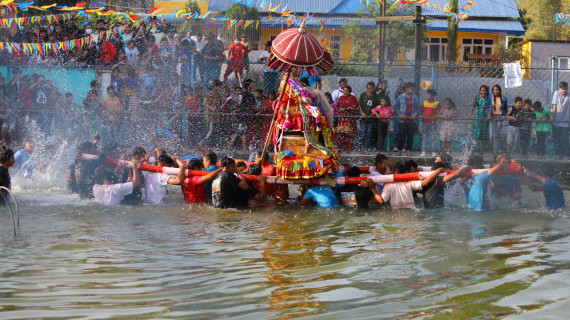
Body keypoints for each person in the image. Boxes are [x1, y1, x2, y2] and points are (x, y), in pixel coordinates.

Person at [368, 163, 444, 209]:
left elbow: (381, 201)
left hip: (396, 213)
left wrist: (372, 188)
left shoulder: (389, 185)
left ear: (393, 172)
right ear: (405, 173)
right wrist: (437, 172)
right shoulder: (409, 182)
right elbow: (425, 183)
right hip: (411, 212)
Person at [394, 82, 420, 156]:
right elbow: (395, 106)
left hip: (412, 121)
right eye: (411, 89)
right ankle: (399, 150)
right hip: (403, 120)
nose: (412, 90)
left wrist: (415, 114)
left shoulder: (415, 97)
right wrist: (399, 114)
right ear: (406, 89)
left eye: (413, 89)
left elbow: (419, 107)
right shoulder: (400, 97)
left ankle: (408, 150)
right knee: (401, 135)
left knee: (410, 136)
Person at [358, 82, 381, 154]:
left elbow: (378, 106)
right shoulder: (363, 95)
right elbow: (359, 105)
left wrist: (374, 113)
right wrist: (362, 113)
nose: (369, 90)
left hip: (371, 119)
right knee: (363, 132)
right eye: (368, 88)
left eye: (371, 88)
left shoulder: (375, 96)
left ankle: (366, 148)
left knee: (369, 133)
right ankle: (362, 146)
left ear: (374, 88)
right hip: (363, 118)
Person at [468, 85, 490, 155]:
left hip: (485, 118)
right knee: (475, 135)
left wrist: (489, 115)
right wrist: (470, 114)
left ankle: (481, 152)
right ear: (480, 91)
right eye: (482, 90)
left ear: (487, 91)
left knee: (484, 136)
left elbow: (490, 108)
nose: (483, 92)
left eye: (485, 90)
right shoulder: (477, 98)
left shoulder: (488, 99)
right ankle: (471, 151)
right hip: (477, 117)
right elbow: (473, 106)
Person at [336, 86, 359, 151]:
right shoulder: (341, 97)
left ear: (350, 91)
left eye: (347, 91)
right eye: (344, 91)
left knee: (349, 134)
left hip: (349, 118)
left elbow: (354, 107)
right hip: (341, 119)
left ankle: (348, 149)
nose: (345, 92)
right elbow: (338, 106)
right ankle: (339, 148)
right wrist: (341, 109)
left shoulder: (353, 98)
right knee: (340, 134)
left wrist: (345, 109)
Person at [551, 81, 570, 159]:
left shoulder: (569, 95)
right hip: (557, 121)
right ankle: (558, 154)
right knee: (557, 139)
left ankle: (565, 154)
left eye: (565, 89)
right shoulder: (556, 94)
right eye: (562, 89)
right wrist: (553, 117)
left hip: (566, 122)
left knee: (565, 139)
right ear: (559, 89)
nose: (564, 91)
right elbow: (554, 107)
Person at [421, 89, 441, 157]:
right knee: (424, 137)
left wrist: (436, 115)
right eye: (427, 94)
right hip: (425, 122)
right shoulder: (424, 103)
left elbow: (441, 111)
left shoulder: (437, 103)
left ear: (433, 96)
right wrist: (421, 115)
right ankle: (423, 151)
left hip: (433, 123)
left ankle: (433, 151)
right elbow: (421, 111)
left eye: (428, 94)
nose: (427, 96)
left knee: (433, 138)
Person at [488, 84, 508, 155]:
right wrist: (489, 114)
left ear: (500, 90)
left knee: (497, 134)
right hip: (492, 117)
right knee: (491, 136)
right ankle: (496, 148)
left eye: (497, 90)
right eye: (494, 90)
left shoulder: (504, 99)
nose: (496, 91)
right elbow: (487, 107)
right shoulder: (490, 97)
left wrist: (503, 115)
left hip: (499, 117)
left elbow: (505, 109)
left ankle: (496, 151)